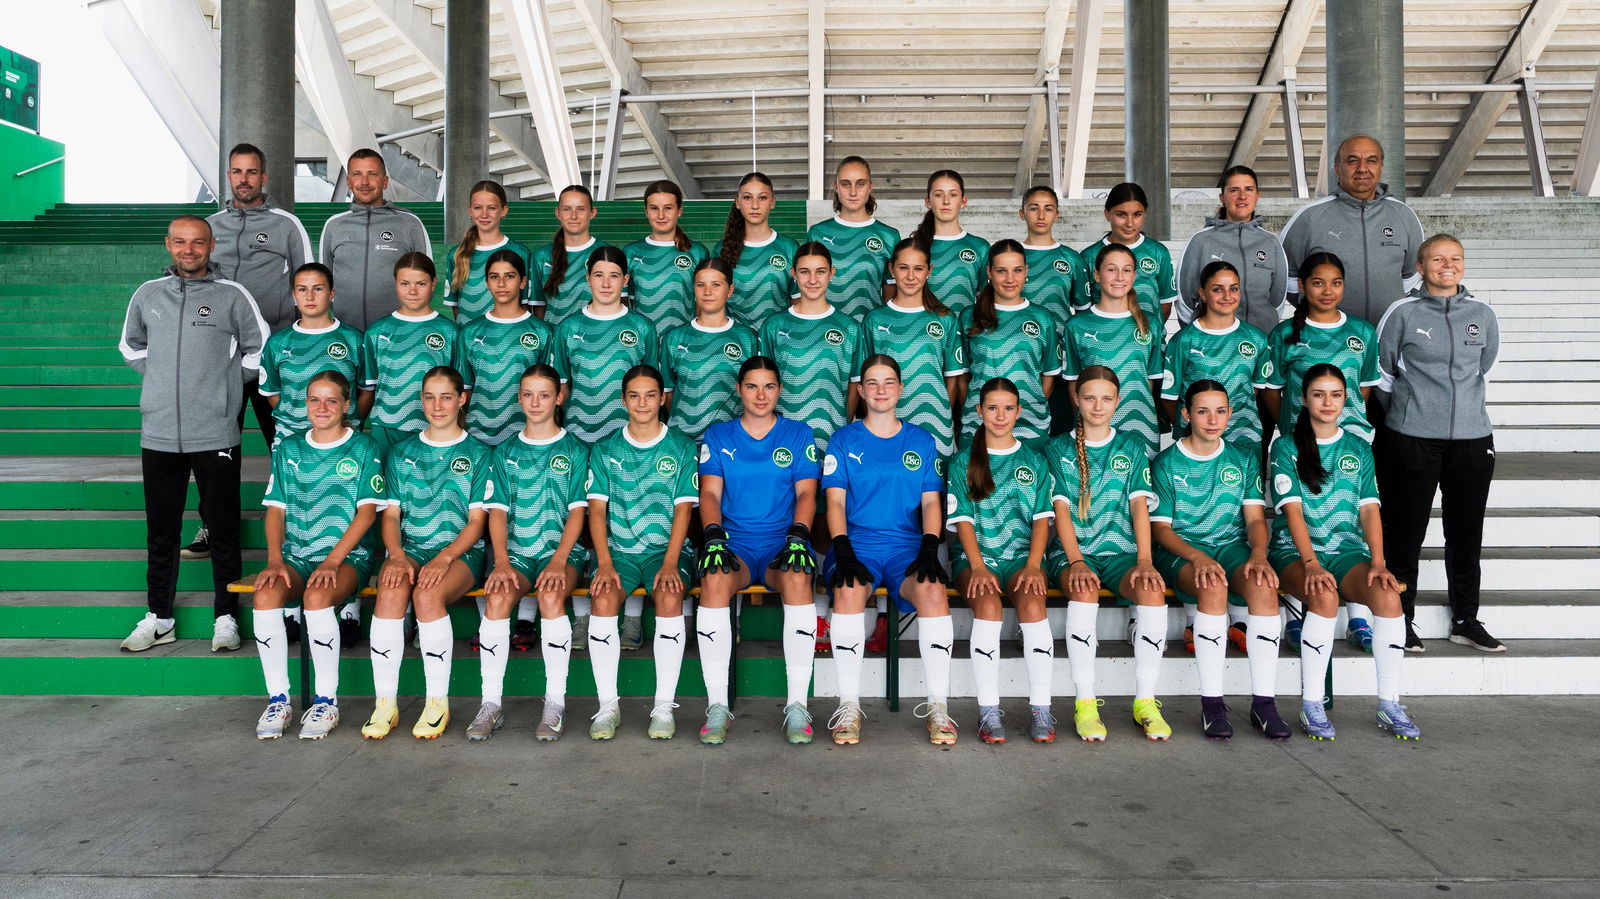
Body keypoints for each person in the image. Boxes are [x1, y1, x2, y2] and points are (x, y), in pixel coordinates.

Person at [118, 215, 269, 655]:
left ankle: (226, 616)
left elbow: (260, 348)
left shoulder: (232, 295)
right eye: (181, 242)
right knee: (161, 530)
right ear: (168, 244)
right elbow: (130, 345)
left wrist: (226, 384)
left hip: (215, 430)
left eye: (198, 242)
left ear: (211, 245)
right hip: (159, 431)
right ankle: (159, 617)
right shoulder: (148, 294)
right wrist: (161, 379)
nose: (189, 249)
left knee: (222, 527)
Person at [1269, 365, 1419, 740]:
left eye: (1335, 395)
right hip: (1294, 552)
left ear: (1345, 399)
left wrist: (1379, 563)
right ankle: (1312, 704)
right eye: (1318, 394)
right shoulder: (1285, 447)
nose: (1328, 402)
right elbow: (1293, 511)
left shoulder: (1358, 448)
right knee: (1323, 594)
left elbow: (1369, 510)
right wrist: (1310, 563)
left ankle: (1389, 703)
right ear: (1304, 399)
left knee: (1387, 595)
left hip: (1346, 551)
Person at [1375, 234, 1503, 653]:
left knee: (1466, 533)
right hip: (1412, 438)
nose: (1448, 266)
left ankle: (1466, 619)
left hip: (1472, 439)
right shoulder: (1402, 312)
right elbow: (1383, 374)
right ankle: (1400, 618)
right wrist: (1413, 412)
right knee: (1405, 532)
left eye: (1455, 258)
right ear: (1420, 266)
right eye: (1438, 259)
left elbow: (1483, 368)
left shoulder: (1482, 314)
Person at [821, 355, 953, 745]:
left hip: (906, 549)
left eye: (889, 382)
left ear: (900, 389)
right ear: (861, 391)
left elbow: (931, 502)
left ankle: (939, 708)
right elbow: (835, 502)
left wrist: (930, 546)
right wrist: (842, 547)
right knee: (848, 590)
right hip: (856, 546)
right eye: (873, 383)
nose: (881, 390)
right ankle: (848, 707)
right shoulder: (843, 440)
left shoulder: (921, 440)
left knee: (933, 590)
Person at [359, 367, 493, 740]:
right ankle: (385, 703)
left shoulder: (479, 454)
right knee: (390, 589)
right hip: (411, 549)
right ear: (421, 400)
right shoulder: (401, 453)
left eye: (446, 397)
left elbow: (476, 523)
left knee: (427, 594)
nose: (437, 406)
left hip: (460, 553)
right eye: (430, 397)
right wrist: (396, 555)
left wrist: (445, 557)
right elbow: (391, 516)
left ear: (462, 399)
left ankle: (436, 702)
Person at [696, 357, 822, 745]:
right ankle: (717, 707)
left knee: (798, 575)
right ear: (739, 390)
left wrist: (799, 534)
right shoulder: (718, 435)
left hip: (781, 543)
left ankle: (797, 706)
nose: (761, 395)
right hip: (734, 543)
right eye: (752, 386)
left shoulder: (798, 433)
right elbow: (710, 493)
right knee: (714, 577)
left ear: (779, 390)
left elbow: (807, 493)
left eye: (769, 386)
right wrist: (713, 535)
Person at [252, 371, 384, 739]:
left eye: (331, 400)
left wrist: (333, 561)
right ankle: (278, 700)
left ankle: (326, 701)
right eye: (314, 400)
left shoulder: (364, 447)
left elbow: (367, 513)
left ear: (346, 405)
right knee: (265, 594)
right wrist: (275, 559)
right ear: (305, 404)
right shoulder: (288, 448)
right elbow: (275, 510)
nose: (322, 407)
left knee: (317, 595)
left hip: (348, 558)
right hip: (296, 556)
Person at [1150, 380, 1285, 741]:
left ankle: (1264, 704)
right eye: (1203, 411)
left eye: (1220, 411)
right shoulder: (1166, 463)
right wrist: (1197, 557)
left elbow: (1254, 519)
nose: (1212, 420)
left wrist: (1259, 555)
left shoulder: (1243, 458)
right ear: (1186, 414)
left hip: (1229, 546)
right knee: (1211, 586)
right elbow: (1161, 530)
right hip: (1182, 548)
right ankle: (1212, 704)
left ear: (1229, 414)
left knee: (1263, 586)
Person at [1043, 365, 1172, 743]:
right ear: (1076, 399)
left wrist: (1145, 561)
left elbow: (1139, 507)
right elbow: (1061, 511)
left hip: (1122, 553)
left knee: (1152, 592)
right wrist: (1076, 561)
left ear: (1117, 402)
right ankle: (1085, 703)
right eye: (1089, 398)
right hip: (1074, 552)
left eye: (1106, 399)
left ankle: (1145, 702)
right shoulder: (1057, 448)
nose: (1097, 406)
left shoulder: (1131, 445)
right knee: (1083, 590)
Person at [1262, 253, 1383, 652]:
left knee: (1349, 519)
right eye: (1317, 282)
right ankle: (1298, 613)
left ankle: (1359, 617)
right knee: (1298, 518)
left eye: (1335, 282)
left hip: (1350, 442)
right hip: (1302, 444)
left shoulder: (1362, 332)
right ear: (1302, 287)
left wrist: (1347, 426)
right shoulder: (1284, 334)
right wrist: (1292, 428)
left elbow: (1363, 389)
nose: (1327, 291)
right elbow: (1272, 391)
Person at [586, 365, 700, 739]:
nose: (642, 403)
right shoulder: (605, 449)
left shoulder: (681, 447)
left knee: (669, 594)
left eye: (650, 395)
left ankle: (663, 708)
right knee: (603, 597)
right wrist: (604, 563)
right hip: (618, 551)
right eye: (634, 396)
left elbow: (684, 509)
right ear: (623, 400)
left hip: (665, 551)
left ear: (662, 399)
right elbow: (597, 511)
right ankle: (607, 707)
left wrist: (671, 562)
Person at [479, 365, 591, 742]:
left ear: (559, 398)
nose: (535, 402)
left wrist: (559, 560)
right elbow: (497, 512)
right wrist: (501, 561)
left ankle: (554, 703)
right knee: (497, 597)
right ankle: (490, 704)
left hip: (563, 553)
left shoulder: (575, 449)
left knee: (551, 595)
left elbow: (578, 512)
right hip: (518, 552)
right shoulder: (505, 451)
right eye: (528, 394)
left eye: (544, 395)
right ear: (519, 398)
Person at [948, 378, 1056, 744]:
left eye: (1008, 408)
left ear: (1019, 412)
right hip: (975, 559)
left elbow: (1042, 519)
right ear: (979, 411)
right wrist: (977, 566)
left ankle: (1041, 709)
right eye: (992, 408)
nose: (1000, 415)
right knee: (989, 607)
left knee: (1033, 604)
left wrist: (1034, 565)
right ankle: (989, 712)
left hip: (1022, 559)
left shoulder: (1034, 460)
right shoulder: (963, 461)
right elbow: (963, 521)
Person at [206, 142, 313, 480]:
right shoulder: (209, 227)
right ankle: (218, 514)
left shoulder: (287, 225)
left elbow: (309, 285)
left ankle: (297, 509)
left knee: (285, 445)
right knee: (218, 452)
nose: (244, 179)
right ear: (228, 176)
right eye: (237, 172)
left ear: (264, 177)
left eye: (251, 172)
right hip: (222, 357)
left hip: (273, 354)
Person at [1281, 135, 1425, 326]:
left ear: (1381, 167)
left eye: (1371, 160)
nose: (1362, 168)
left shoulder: (1404, 215)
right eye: (1353, 161)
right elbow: (1286, 278)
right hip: (1329, 336)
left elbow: (1410, 277)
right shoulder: (1310, 217)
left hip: (1386, 334)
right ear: (1337, 168)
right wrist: (1320, 312)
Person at [857, 237, 967, 462]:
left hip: (935, 420)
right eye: (903, 268)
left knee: (934, 482)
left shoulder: (945, 318)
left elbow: (953, 379)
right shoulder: (874, 320)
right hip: (887, 418)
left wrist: (941, 413)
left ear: (929, 271)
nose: (910, 276)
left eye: (918, 268)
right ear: (891, 269)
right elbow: (865, 380)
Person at [1161, 261, 1271, 460]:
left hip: (1244, 436)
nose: (1227, 296)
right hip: (1198, 440)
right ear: (1203, 294)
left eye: (1233, 288)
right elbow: (1169, 399)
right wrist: (1191, 427)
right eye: (1218, 289)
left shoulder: (1256, 338)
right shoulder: (1184, 340)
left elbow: (1253, 390)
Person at [550, 246, 660, 443]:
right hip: (578, 435)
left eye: (614, 276)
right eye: (599, 275)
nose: (606, 284)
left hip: (629, 437)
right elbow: (562, 386)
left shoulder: (643, 328)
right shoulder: (567, 328)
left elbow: (652, 388)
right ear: (588, 278)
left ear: (625, 280)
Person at [757, 243, 861, 451]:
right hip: (783, 437)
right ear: (793, 273)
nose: (813, 280)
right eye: (805, 272)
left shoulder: (850, 327)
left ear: (831, 273)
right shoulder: (774, 326)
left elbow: (855, 384)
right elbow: (763, 384)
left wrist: (840, 424)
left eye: (820, 271)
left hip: (833, 435)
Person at [1062, 243, 1163, 456]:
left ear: (1134, 275)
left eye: (1126, 270)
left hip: (1141, 423)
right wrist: (1084, 420)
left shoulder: (1150, 324)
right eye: (1111, 269)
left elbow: (1150, 380)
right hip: (1095, 423)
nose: (1119, 277)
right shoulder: (1077, 325)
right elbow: (1073, 381)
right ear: (1097, 275)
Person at [958, 239, 1060, 449]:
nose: (1010, 279)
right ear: (989, 272)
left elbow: (1048, 376)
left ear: (1026, 271)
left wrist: (1028, 406)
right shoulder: (969, 316)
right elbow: (962, 375)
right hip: (978, 424)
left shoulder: (1042, 318)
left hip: (1030, 423)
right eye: (1001, 271)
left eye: (1017, 270)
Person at [359, 253, 464, 456]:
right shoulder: (377, 331)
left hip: (434, 427)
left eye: (421, 284)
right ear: (395, 283)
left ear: (433, 283)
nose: (413, 291)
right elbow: (368, 390)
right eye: (405, 283)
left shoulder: (450, 332)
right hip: (386, 429)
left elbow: (460, 389)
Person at [319, 148, 433, 333]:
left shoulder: (410, 224)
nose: (364, 182)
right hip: (346, 334)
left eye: (372, 174)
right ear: (348, 181)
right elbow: (323, 282)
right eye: (357, 174)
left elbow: (426, 281)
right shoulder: (334, 226)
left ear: (385, 181)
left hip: (398, 334)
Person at [258, 263, 367, 446]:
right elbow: (272, 393)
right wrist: (297, 418)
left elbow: (366, 392)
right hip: (292, 439)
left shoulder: (354, 339)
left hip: (344, 439)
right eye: (302, 289)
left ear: (331, 293)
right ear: (294, 295)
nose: (310, 296)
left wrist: (347, 422)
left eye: (318, 289)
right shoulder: (277, 343)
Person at [1176, 165, 1289, 334]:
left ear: (1257, 196)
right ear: (1222, 197)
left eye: (1249, 189)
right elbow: (1185, 300)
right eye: (1234, 190)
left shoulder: (1271, 242)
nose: (1242, 196)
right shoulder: (1201, 241)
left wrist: (1263, 331)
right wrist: (1199, 336)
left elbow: (1277, 301)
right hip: (1213, 342)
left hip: (1260, 340)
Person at [459, 250, 553, 446]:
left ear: (522, 282)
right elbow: (466, 390)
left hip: (526, 436)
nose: (501, 283)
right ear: (487, 282)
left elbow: (550, 389)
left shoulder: (542, 331)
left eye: (509, 276)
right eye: (494, 277)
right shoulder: (470, 332)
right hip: (478, 437)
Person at [659, 258, 759, 441]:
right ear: (693, 289)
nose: (708, 292)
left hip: (731, 441)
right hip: (684, 441)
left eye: (716, 285)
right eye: (701, 285)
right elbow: (668, 392)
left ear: (730, 290)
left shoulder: (747, 338)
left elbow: (754, 391)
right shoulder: (674, 338)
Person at [806, 156, 898, 322]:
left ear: (870, 186)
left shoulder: (888, 236)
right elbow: (805, 288)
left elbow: (891, 296)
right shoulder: (817, 233)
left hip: (868, 330)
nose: (853, 192)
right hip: (825, 329)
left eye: (860, 184)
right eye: (846, 184)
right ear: (836, 187)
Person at [1079, 182, 1178, 327]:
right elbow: (1083, 310)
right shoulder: (1089, 256)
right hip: (1103, 337)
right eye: (1121, 214)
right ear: (1107, 214)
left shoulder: (1158, 252)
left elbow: (1165, 305)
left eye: (1137, 214)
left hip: (1146, 337)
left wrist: (1145, 331)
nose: (1129, 223)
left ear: (1144, 214)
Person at [624, 180, 710, 335]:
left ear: (679, 211)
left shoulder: (697, 252)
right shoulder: (631, 252)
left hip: (685, 342)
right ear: (646, 211)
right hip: (645, 341)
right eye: (654, 208)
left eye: (668, 208)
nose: (661, 215)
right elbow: (625, 306)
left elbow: (704, 306)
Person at [714, 172, 799, 329]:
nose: (755, 205)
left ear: (772, 202)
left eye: (762, 197)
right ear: (737, 202)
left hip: (777, 337)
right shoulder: (721, 250)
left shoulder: (789, 248)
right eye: (747, 197)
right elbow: (714, 304)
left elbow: (797, 301)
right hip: (735, 340)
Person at [443, 180, 533, 321]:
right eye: (478, 207)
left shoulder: (521, 253)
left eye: (491, 208)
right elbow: (456, 307)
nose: (484, 214)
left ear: (503, 211)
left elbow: (525, 305)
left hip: (507, 333)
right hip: (469, 333)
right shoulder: (456, 254)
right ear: (470, 210)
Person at [913, 169, 989, 316]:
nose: (946, 201)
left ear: (963, 201)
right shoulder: (914, 247)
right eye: (938, 195)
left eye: (953, 195)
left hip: (964, 328)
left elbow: (985, 300)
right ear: (928, 201)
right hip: (922, 328)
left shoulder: (980, 247)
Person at [531, 184, 609, 324]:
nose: (573, 216)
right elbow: (538, 307)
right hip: (555, 336)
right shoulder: (542, 256)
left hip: (594, 335)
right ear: (558, 213)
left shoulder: (606, 253)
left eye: (581, 209)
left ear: (592, 212)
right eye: (567, 209)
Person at [1018, 185, 1091, 325]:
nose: (1041, 216)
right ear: (1022, 213)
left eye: (1048, 209)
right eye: (1034, 208)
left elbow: (1083, 313)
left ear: (1056, 215)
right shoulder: (1011, 256)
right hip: (1019, 336)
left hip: (1061, 337)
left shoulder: (1071, 258)